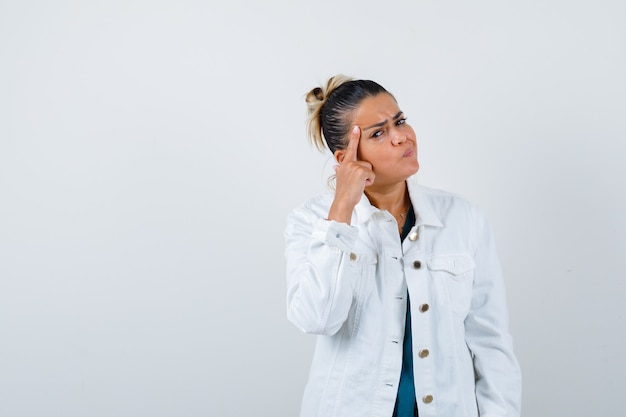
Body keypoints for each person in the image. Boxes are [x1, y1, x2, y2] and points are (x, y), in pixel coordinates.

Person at [284, 75, 521, 417]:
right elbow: (317, 318)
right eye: (378, 133)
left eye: (400, 121)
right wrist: (341, 212)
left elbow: (492, 342)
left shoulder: (464, 218)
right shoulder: (310, 222)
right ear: (347, 156)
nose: (401, 137)